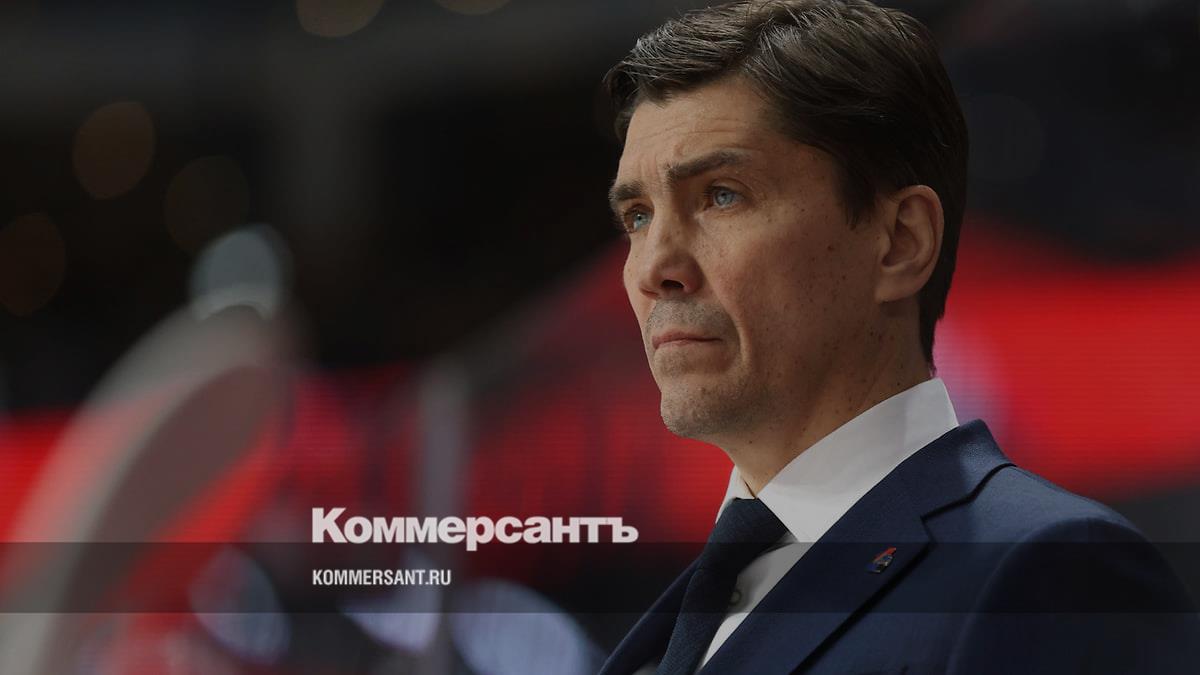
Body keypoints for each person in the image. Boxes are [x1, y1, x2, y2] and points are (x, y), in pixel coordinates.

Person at [596, 1, 1200, 673]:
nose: (653, 268)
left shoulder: (1054, 576)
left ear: (900, 242)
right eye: (638, 216)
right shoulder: (667, 629)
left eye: (722, 195)